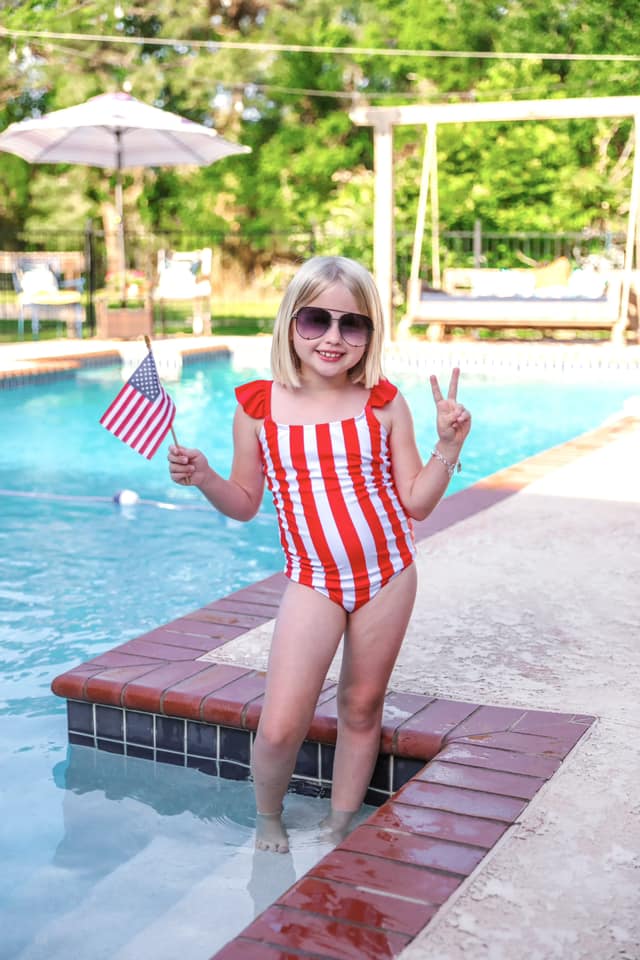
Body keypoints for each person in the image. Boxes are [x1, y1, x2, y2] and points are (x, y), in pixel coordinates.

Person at [168, 255, 471, 853]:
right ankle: (268, 818)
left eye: (351, 324)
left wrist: (448, 446)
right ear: (290, 323)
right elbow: (246, 501)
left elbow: (417, 503)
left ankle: (340, 823)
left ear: (369, 334)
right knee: (281, 723)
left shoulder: (382, 403)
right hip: (314, 580)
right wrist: (205, 478)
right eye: (316, 320)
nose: (333, 337)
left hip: (387, 574)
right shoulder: (259, 408)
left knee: (362, 705)